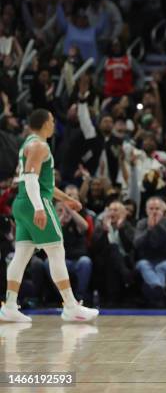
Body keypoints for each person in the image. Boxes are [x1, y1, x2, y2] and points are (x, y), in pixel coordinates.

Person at [1, 109, 99, 322]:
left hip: (22, 203)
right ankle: (71, 306)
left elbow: (45, 184)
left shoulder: (29, 143)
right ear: (45, 123)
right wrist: (39, 207)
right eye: (53, 120)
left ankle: (9, 305)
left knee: (22, 254)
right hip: (35, 202)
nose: (54, 124)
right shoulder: (39, 145)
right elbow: (31, 179)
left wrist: (67, 199)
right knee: (55, 251)